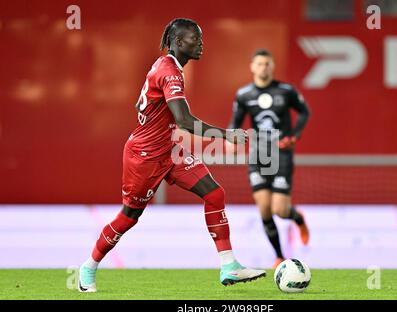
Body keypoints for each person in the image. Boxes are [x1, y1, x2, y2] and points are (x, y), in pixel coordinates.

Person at [78, 18, 266, 292]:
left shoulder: (165, 66)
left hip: (169, 149)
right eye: (195, 39)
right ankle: (88, 267)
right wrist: (227, 134)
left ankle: (229, 266)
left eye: (201, 38)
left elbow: (144, 104)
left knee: (214, 193)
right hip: (144, 157)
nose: (201, 44)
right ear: (178, 42)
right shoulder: (170, 71)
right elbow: (185, 121)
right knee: (129, 217)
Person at [228, 49, 311, 269]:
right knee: (264, 208)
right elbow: (234, 123)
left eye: (267, 64)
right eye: (260, 64)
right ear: (252, 67)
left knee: (280, 210)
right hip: (258, 155)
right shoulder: (244, 94)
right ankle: (279, 257)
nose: (263, 67)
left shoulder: (285, 91)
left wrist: (294, 135)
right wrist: (232, 141)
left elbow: (304, 111)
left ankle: (297, 218)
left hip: (281, 155)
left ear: (272, 67)